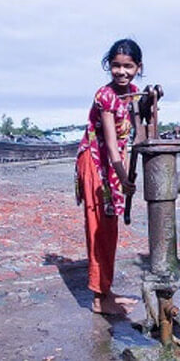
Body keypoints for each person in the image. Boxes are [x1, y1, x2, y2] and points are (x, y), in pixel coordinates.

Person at [75, 38, 142, 314]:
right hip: (96, 163)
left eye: (128, 66)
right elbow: (113, 146)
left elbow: (138, 132)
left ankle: (107, 292)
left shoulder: (134, 94)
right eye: (116, 66)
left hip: (112, 166)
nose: (122, 72)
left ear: (138, 67)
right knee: (99, 228)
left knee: (110, 228)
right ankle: (99, 299)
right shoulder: (105, 96)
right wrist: (124, 177)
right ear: (109, 66)